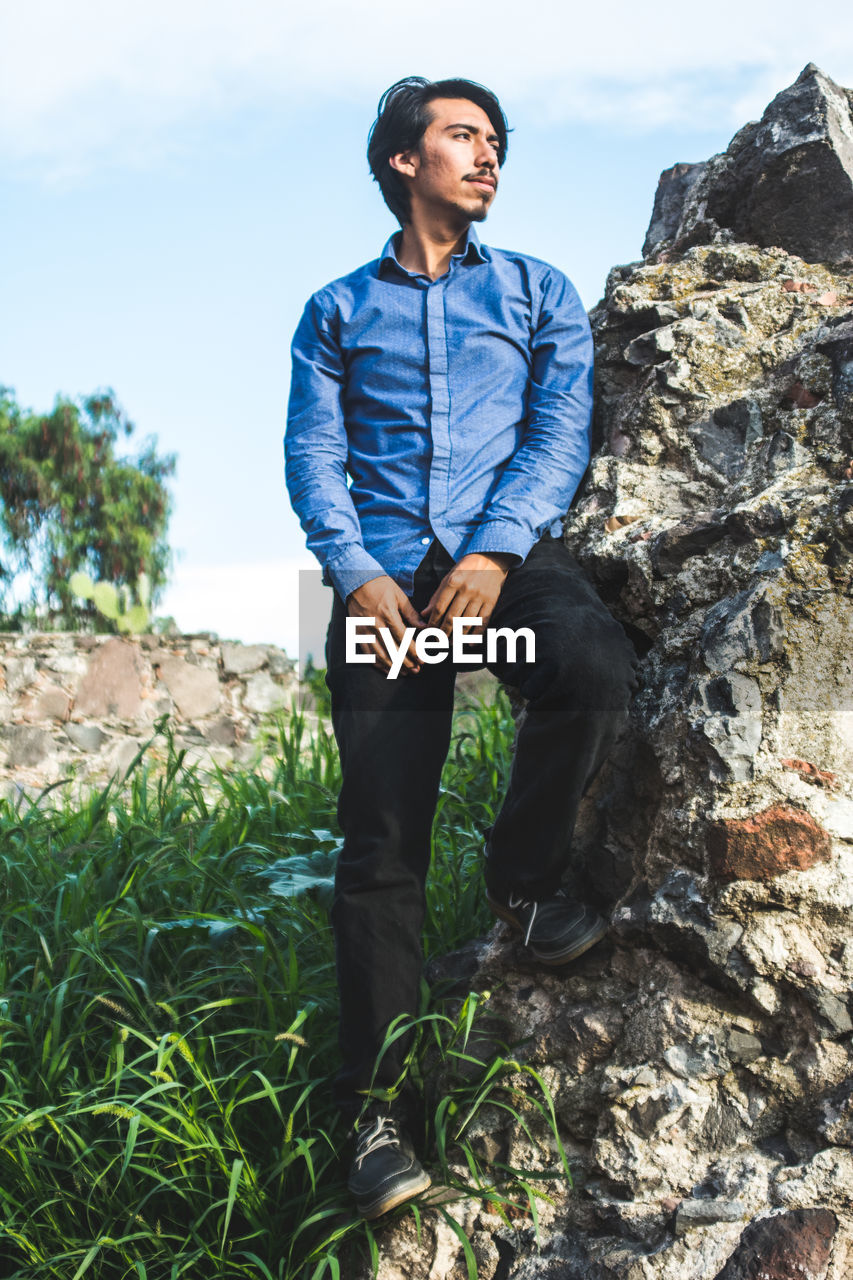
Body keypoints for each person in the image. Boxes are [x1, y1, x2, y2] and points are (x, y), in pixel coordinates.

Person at [284, 75, 636, 1219]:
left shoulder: (539, 291)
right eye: (461, 137)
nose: (487, 157)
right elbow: (310, 456)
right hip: (381, 583)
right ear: (402, 160)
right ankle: (374, 1113)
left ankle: (525, 882)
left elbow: (555, 430)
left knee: (587, 662)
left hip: (502, 561)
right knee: (381, 841)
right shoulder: (334, 310)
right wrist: (358, 574)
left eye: (495, 141)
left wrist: (491, 555)